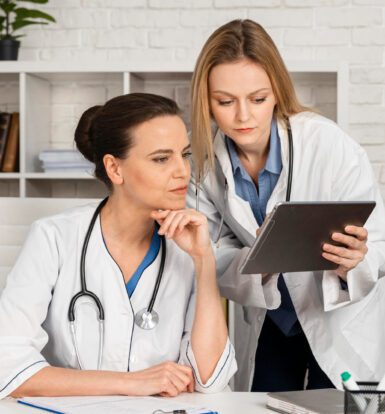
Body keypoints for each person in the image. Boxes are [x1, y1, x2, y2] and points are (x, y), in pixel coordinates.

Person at [187, 19, 385, 392]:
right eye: (225, 102)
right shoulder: (201, 164)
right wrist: (258, 258)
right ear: (206, 101)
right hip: (270, 322)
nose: (243, 116)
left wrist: (355, 259)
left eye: (258, 99)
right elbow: (208, 255)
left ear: (277, 91)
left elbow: (378, 244)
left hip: (339, 319)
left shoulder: (327, 143)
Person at [0, 93, 236, 399]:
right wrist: (133, 382)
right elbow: (7, 363)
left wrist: (204, 260)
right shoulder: (54, 238)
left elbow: (210, 378)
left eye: (185, 154)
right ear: (114, 168)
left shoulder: (190, 246)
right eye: (162, 158)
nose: (183, 171)